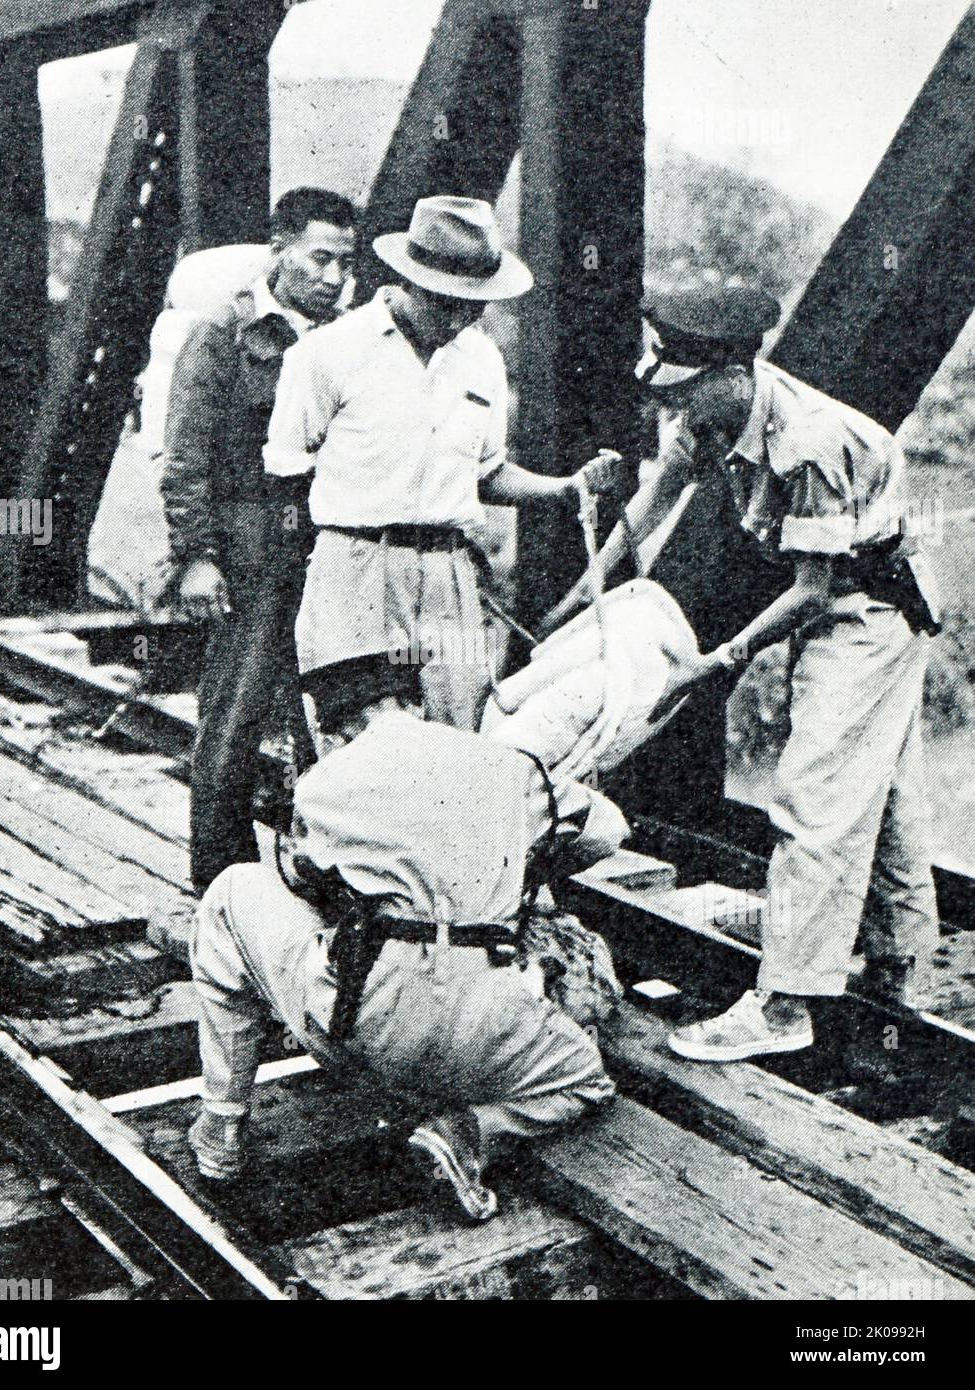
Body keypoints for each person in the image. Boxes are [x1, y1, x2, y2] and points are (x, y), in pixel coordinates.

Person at [605, 284, 940, 1062]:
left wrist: (711, 664)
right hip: (837, 609)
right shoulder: (710, 413)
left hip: (868, 615)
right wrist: (582, 592)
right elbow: (657, 498)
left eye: (684, 390)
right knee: (880, 790)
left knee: (815, 796)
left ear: (731, 372)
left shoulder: (810, 439)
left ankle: (785, 1005)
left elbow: (810, 590)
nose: (675, 409)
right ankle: (893, 965)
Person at [188, 652, 622, 1221]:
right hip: (493, 1023)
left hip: (373, 1029)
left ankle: (221, 1123)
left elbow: (299, 878)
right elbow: (609, 830)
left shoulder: (325, 782)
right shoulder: (509, 765)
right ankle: (467, 1131)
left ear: (331, 729)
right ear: (417, 704)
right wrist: (523, 868)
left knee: (229, 895)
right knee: (586, 1081)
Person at [264, 194, 620, 736]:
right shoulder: (326, 355)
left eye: (476, 304)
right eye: (448, 302)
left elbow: (486, 475)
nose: (463, 318)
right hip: (357, 571)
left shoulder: (481, 359)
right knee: (367, 740)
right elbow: (287, 475)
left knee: (455, 734)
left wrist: (567, 488)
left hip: (448, 577)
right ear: (410, 282)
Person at [160, 188, 356, 893]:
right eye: (319, 259)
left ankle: (325, 878)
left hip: (328, 543)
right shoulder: (223, 333)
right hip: (248, 546)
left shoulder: (348, 339)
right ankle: (219, 882)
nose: (333, 278)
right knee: (235, 714)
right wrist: (197, 556)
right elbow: (184, 454)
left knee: (332, 714)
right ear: (279, 249)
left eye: (346, 263)